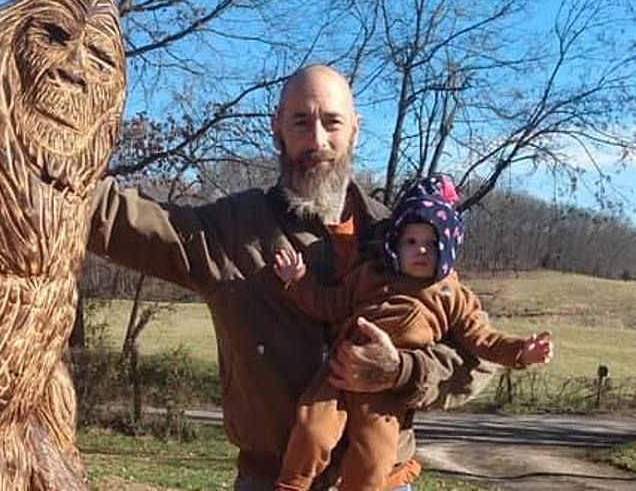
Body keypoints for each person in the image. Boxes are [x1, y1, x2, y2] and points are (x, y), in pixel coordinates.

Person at [88, 64, 495, 490]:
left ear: (354, 129)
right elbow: (118, 219)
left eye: (332, 122)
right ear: (277, 128)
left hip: (384, 481)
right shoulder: (232, 230)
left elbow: (477, 353)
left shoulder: (403, 239)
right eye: (301, 121)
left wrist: (402, 370)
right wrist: (31, 167)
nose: (317, 140)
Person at [272, 174, 553, 491]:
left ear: (448, 248)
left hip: (385, 392)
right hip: (338, 372)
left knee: (374, 457)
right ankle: (291, 486)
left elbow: (482, 339)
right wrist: (298, 280)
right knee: (312, 430)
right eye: (411, 241)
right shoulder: (369, 274)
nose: (421, 250)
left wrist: (520, 352)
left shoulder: (451, 294)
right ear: (395, 243)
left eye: (432, 244)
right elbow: (329, 304)